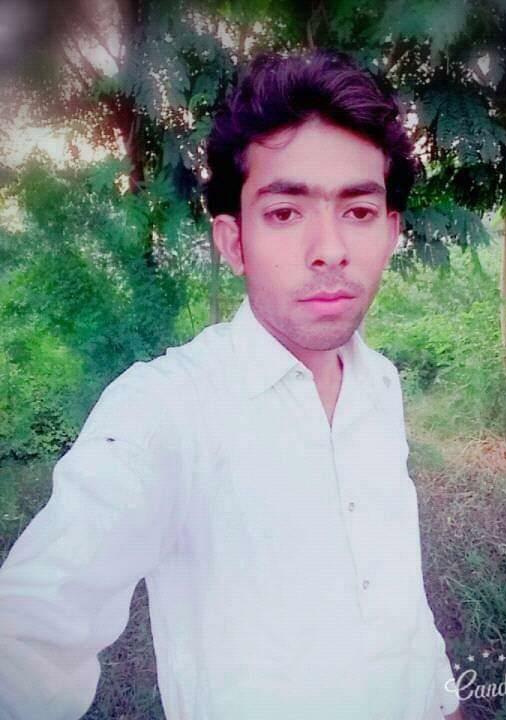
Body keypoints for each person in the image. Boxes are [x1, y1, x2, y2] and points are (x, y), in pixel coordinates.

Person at [0, 49, 463, 720]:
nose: (330, 249)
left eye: (359, 212)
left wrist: (444, 700)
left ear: (390, 233)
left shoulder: (381, 384)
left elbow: (397, 593)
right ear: (233, 242)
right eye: (285, 213)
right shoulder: (164, 411)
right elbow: (30, 631)